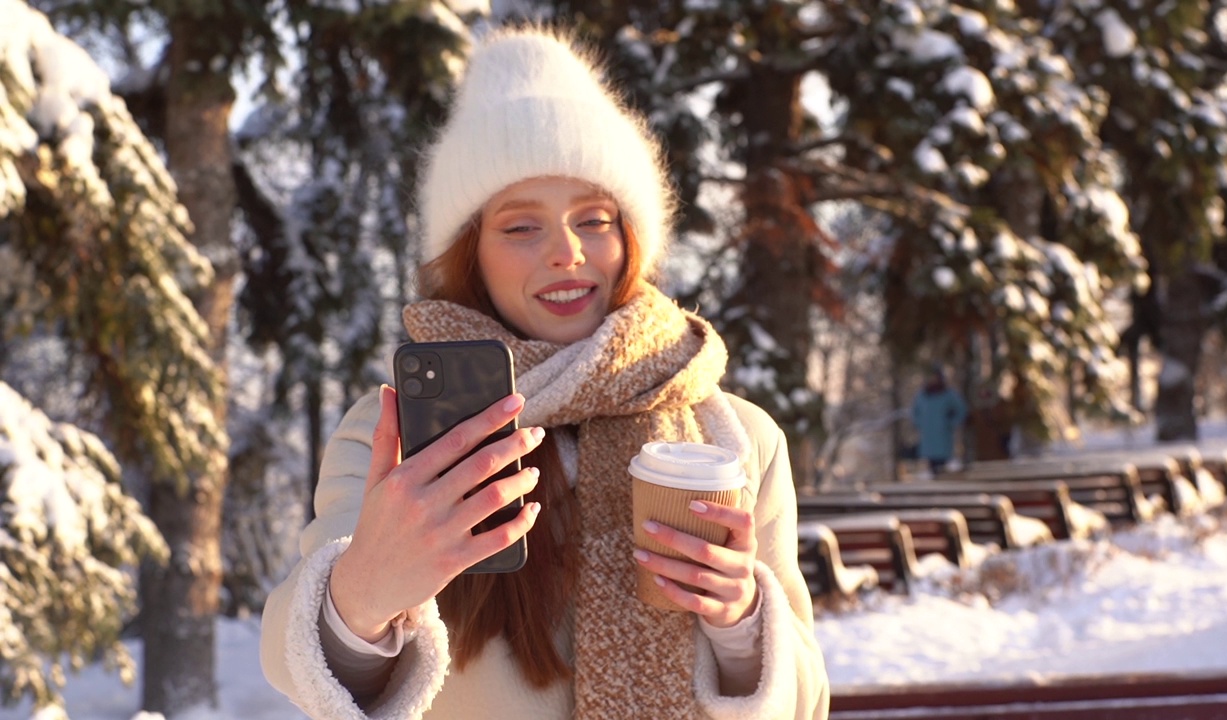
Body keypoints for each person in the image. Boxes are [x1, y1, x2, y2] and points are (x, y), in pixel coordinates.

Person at [259, 27, 829, 720]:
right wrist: (360, 597)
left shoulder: (733, 437)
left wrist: (741, 620)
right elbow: (300, 671)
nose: (566, 252)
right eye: (521, 228)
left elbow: (807, 702)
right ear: (469, 254)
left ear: (631, 240)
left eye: (593, 220)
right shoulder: (396, 433)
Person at [911, 364, 967, 475]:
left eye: (934, 376)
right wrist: (920, 423)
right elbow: (914, 412)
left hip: (943, 436)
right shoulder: (922, 395)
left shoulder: (949, 394)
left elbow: (961, 409)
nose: (932, 379)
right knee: (930, 466)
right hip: (927, 437)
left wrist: (951, 423)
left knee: (945, 465)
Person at [970, 383, 1014, 462]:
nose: (984, 396)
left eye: (987, 393)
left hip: (999, 453)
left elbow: (1007, 428)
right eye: (982, 393)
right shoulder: (976, 412)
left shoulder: (1001, 408)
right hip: (982, 454)